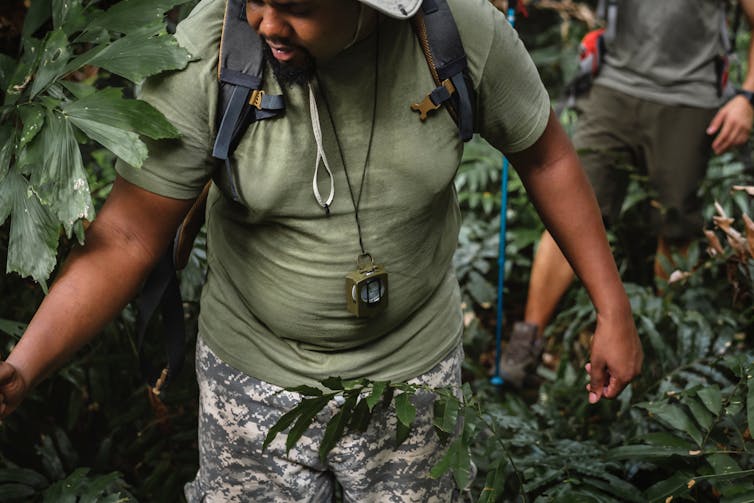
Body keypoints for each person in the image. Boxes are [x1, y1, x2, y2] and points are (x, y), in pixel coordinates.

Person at [0, 0, 643, 499]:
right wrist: (24, 366)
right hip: (252, 380)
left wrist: (611, 308)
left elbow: (546, 155)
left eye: (298, 7)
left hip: (412, 378)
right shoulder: (211, 52)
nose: (266, 23)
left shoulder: (455, 34)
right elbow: (129, 235)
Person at [498, 0, 754, 390]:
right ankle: (526, 343)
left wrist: (747, 98)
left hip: (690, 96)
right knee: (569, 209)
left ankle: (663, 352)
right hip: (613, 87)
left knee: (676, 223)